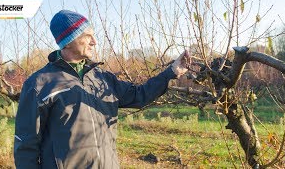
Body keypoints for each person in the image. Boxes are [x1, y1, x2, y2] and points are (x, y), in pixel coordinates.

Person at [14, 10, 190, 169]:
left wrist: (172, 72)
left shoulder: (102, 79)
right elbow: (25, 146)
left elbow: (139, 95)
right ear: (67, 42)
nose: (94, 42)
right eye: (87, 36)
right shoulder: (40, 84)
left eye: (93, 35)